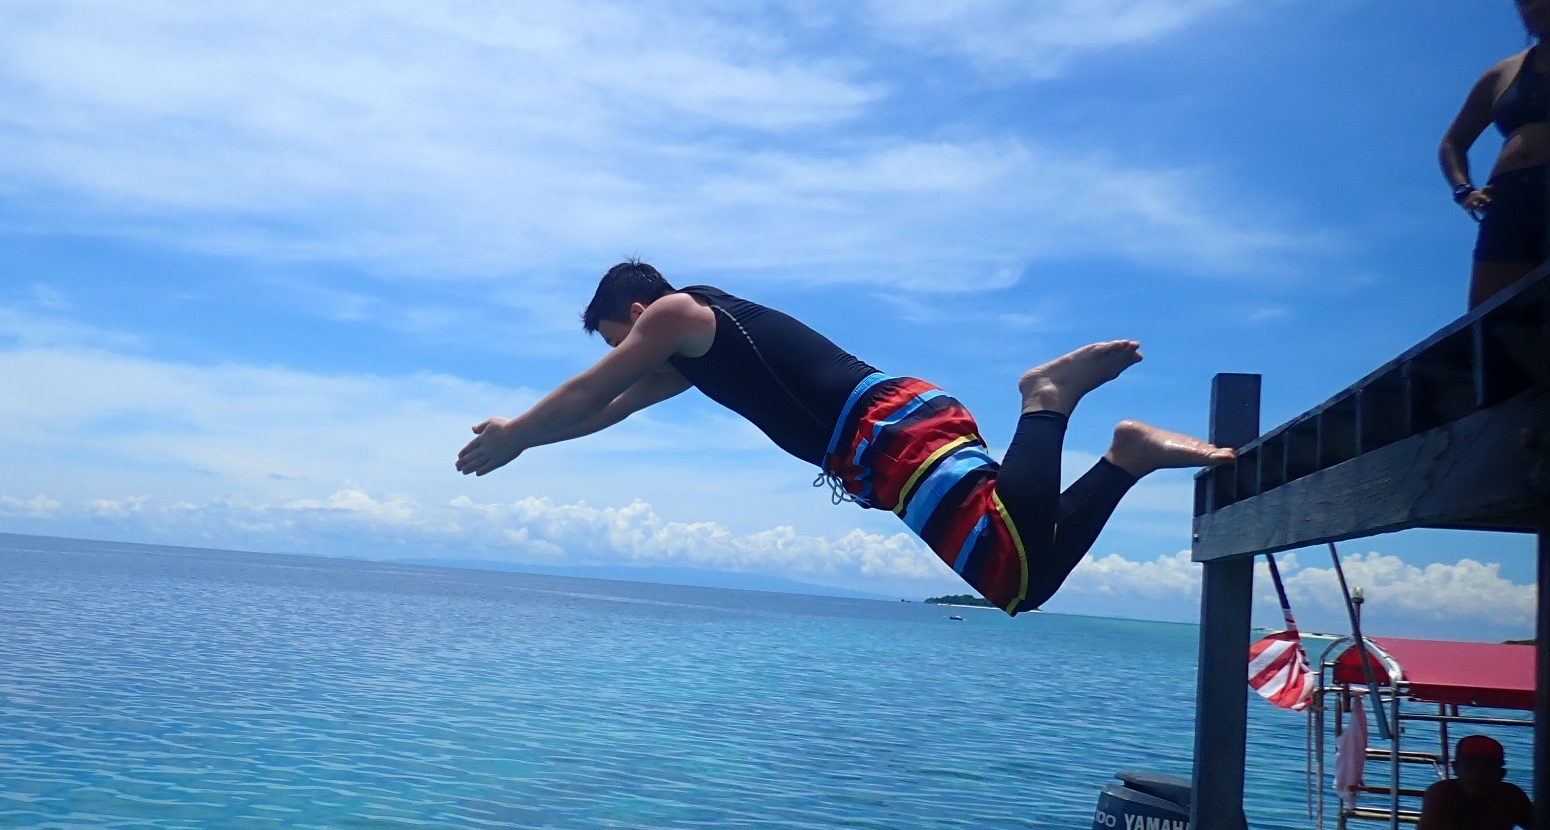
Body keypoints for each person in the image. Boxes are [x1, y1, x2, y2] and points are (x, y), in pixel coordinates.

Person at [454, 262, 1234, 616]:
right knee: (1018, 585)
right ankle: (1126, 459)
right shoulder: (695, 358)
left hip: (884, 429)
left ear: (630, 309)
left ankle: (1047, 399)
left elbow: (594, 389)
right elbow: (607, 410)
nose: (620, 353)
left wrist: (518, 427)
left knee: (1012, 564)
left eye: (613, 336)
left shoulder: (677, 313)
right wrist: (528, 445)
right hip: (883, 445)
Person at [1439, 0, 1550, 308]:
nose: (1537, 4)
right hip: (1509, 199)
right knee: (1495, 321)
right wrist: (1463, 190)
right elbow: (1452, 143)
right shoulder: (1504, 73)